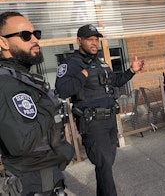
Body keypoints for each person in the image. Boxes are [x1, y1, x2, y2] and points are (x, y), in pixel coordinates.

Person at [55, 24, 145, 196]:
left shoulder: (101, 63)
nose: (95, 43)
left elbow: (115, 81)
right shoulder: (70, 64)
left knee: (107, 163)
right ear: (79, 41)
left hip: (110, 120)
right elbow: (62, 90)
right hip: (92, 123)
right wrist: (82, 76)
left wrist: (131, 71)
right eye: (90, 39)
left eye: (96, 39)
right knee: (104, 163)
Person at [0, 11, 74, 195]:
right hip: (30, 183)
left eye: (36, 34)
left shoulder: (24, 77)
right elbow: (22, 143)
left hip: (48, 179)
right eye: (26, 35)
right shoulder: (6, 83)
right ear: (3, 42)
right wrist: (51, 107)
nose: (34, 39)